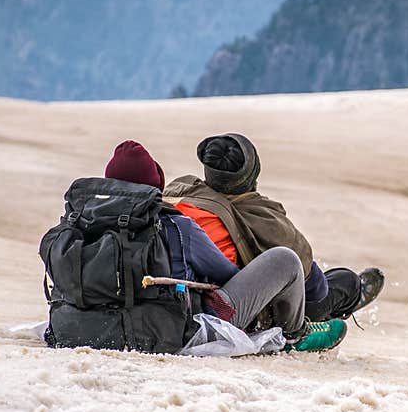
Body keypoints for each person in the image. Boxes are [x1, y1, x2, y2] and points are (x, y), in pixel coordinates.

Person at [91, 140, 348, 352]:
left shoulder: (89, 222)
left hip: (116, 320)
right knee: (300, 267)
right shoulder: (181, 224)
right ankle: (296, 336)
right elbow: (229, 276)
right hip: (190, 322)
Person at [163, 133, 385, 323]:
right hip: (239, 307)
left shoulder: (181, 194)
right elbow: (312, 282)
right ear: (252, 173)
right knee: (344, 281)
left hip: (181, 297)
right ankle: (349, 298)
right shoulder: (261, 216)